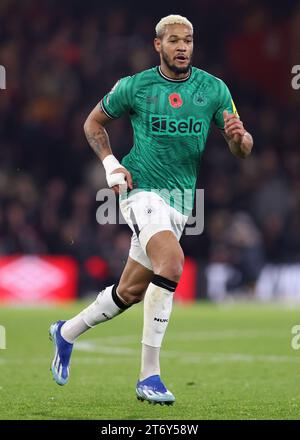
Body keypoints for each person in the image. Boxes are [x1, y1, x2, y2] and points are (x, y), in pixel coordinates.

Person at [49, 14, 253, 405]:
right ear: (157, 45)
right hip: (140, 191)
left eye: (188, 41)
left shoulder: (214, 89)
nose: (183, 47)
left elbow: (241, 148)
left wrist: (240, 139)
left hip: (182, 202)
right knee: (172, 264)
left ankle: (66, 332)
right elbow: (93, 123)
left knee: (129, 291)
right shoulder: (136, 86)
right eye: (174, 40)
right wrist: (112, 165)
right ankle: (150, 376)